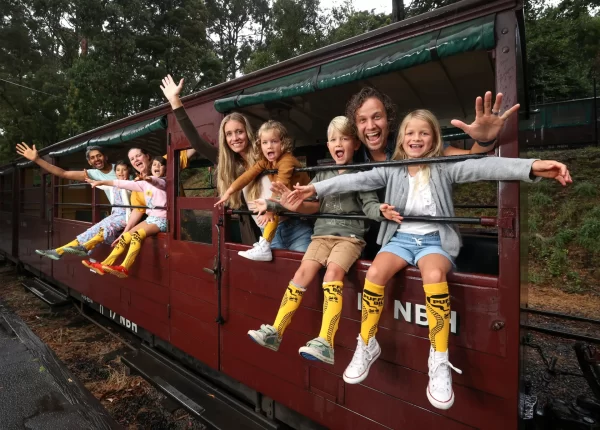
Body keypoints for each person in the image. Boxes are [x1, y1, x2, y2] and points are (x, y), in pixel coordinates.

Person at [289, 109, 571, 411]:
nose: (416, 138)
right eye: (410, 133)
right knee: (374, 274)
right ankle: (367, 344)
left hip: (434, 240)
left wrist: (535, 166)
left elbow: (486, 166)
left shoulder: (444, 167)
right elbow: (354, 180)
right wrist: (315, 188)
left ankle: (438, 359)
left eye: (424, 133)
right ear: (402, 140)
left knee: (434, 276)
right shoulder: (393, 169)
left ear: (434, 138)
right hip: (400, 240)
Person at [246, 116, 398, 364]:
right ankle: (276, 331)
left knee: (332, 274)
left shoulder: (361, 175)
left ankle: (326, 342)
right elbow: (310, 205)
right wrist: (280, 204)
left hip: (349, 238)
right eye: (333, 139)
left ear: (355, 144)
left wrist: (380, 210)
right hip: (321, 235)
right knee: (301, 273)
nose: (338, 143)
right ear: (328, 145)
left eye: (345, 138)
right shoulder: (322, 174)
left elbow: (369, 205)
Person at [160, 74, 261, 245]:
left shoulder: (262, 154)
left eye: (239, 132)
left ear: (248, 133)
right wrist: (175, 102)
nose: (235, 138)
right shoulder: (224, 159)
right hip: (249, 224)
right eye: (229, 134)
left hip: (272, 218)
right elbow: (196, 142)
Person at [214, 120, 312, 261]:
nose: (269, 146)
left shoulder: (286, 160)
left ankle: (264, 245)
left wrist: (270, 209)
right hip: (274, 225)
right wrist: (229, 191)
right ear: (260, 144)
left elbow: (280, 185)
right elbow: (247, 176)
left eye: (274, 142)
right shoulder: (266, 162)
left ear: (283, 143)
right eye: (265, 142)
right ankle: (265, 245)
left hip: (296, 221)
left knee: (305, 268)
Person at [347, 87, 520, 163]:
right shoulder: (352, 153)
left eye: (377, 117)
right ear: (356, 125)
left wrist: (484, 140)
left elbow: (469, 156)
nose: (370, 126)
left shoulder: (408, 143)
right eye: (362, 120)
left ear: (388, 118)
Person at [15, 143, 123, 259]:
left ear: (105, 157)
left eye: (99, 156)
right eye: (92, 158)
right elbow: (63, 173)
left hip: (132, 211)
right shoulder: (92, 173)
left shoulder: (120, 168)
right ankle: (63, 251)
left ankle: (69, 252)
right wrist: (37, 160)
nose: (96, 159)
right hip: (118, 212)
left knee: (100, 229)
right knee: (95, 230)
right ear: (89, 162)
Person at [82, 156, 168, 278]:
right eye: (154, 165)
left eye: (160, 165)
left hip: (162, 220)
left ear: (166, 168)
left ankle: (124, 267)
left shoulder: (164, 181)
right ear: (151, 167)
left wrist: (146, 178)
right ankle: (104, 265)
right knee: (125, 236)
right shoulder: (143, 184)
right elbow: (121, 183)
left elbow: (155, 181)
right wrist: (100, 182)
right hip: (151, 219)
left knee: (137, 236)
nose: (157, 167)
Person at [37, 161, 133, 260]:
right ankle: (58, 251)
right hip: (114, 216)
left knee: (105, 227)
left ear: (129, 171)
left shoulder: (132, 184)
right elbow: (101, 185)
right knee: (92, 230)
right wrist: (89, 180)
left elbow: (135, 189)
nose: (120, 172)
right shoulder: (113, 184)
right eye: (118, 170)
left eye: (124, 169)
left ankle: (85, 248)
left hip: (125, 217)